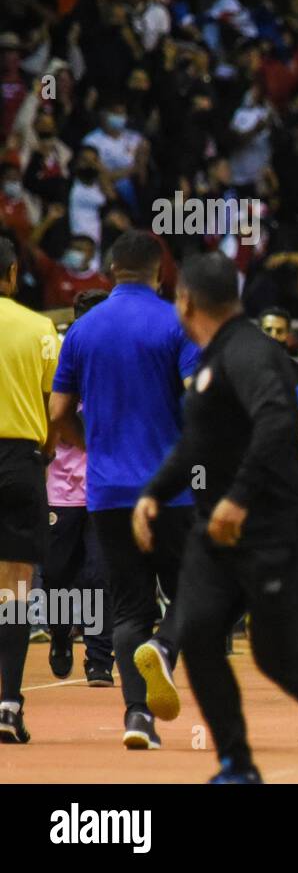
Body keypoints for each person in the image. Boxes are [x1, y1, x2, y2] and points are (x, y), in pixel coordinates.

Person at [132, 253, 298, 784]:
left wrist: (238, 497)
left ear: (185, 302)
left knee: (275, 656)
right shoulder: (211, 359)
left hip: (274, 531)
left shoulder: (250, 353)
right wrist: (154, 494)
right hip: (215, 537)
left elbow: (277, 420)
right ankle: (236, 763)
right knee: (200, 636)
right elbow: (196, 443)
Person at [48, 231, 200, 750]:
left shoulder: (83, 330)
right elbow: (198, 401)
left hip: (107, 491)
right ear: (160, 273)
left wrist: (95, 446)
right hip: (170, 491)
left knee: (130, 607)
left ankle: (138, 718)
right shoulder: (177, 323)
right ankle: (164, 647)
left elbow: (59, 416)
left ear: (111, 270)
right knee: (192, 592)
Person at [0, 236, 60, 745]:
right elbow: (55, 404)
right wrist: (50, 447)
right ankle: (8, 705)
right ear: (14, 273)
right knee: (14, 593)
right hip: (20, 460)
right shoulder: (41, 328)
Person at [42, 288, 115, 689]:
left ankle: (99, 659)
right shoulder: (57, 357)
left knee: (98, 574)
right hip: (61, 484)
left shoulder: (121, 361)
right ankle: (58, 634)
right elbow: (49, 415)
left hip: (106, 484)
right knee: (55, 574)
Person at [259, 306, 298, 385]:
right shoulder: (246, 371)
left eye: (280, 331)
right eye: (268, 330)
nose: (273, 335)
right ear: (258, 333)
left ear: (288, 334)